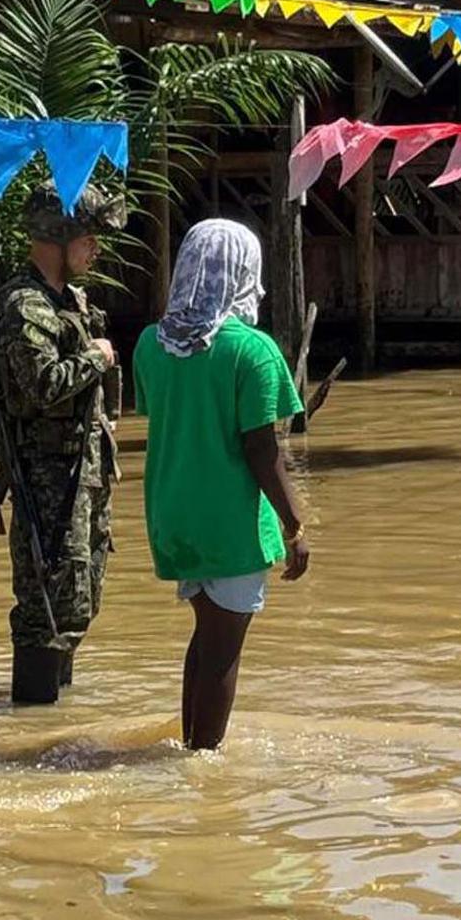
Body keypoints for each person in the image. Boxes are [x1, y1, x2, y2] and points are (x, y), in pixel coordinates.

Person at [132, 219, 310, 751]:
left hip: (173, 516)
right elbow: (263, 450)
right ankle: (202, 762)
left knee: (206, 636)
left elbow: (161, 415)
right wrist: (295, 523)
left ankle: (189, 744)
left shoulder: (149, 344)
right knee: (225, 646)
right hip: (229, 523)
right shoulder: (252, 351)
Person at [0, 183, 126, 704]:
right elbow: (41, 386)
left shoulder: (67, 301)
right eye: (89, 239)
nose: (96, 251)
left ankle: (54, 719)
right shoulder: (23, 305)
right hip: (47, 483)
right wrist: (99, 358)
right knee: (45, 609)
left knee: (77, 602)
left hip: (80, 477)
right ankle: (33, 722)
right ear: (57, 237)